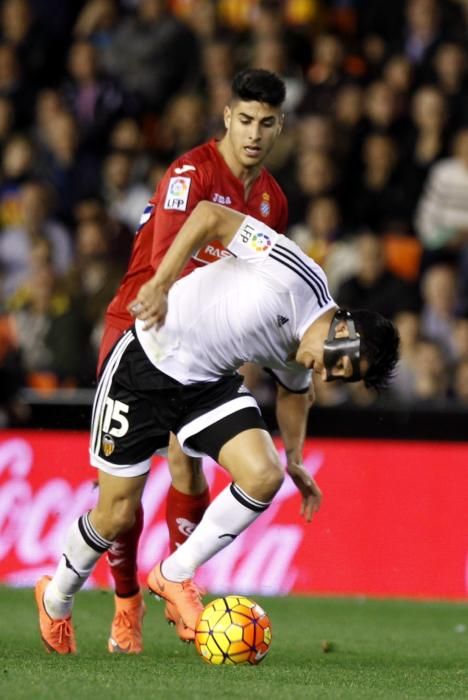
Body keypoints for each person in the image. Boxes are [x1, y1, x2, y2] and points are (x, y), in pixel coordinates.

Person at [35, 201, 399, 654]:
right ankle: (56, 598)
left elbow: (293, 394)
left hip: (206, 386)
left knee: (265, 474)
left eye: (339, 378)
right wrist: (161, 284)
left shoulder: (304, 354)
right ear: (342, 331)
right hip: (145, 363)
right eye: (336, 367)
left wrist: (297, 459)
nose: (327, 377)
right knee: (115, 515)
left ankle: (174, 573)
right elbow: (209, 215)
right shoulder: (296, 275)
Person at [93, 68, 289, 653]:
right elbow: (163, 268)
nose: (254, 133)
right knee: (121, 503)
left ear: (281, 126)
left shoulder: (273, 201)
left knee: (187, 462)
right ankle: (126, 601)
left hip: (204, 343)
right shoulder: (190, 173)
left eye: (267, 123)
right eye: (246, 119)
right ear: (227, 116)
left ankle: (179, 584)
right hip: (140, 326)